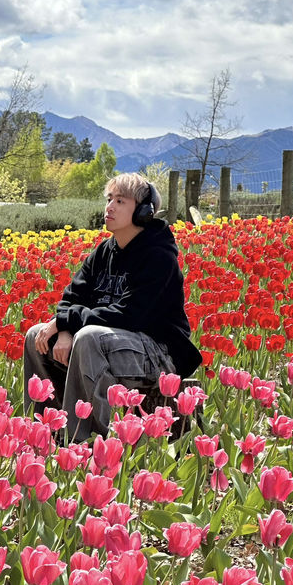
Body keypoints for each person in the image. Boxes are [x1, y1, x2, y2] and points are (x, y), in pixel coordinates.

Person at [23, 172, 202, 441]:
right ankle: (45, 432)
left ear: (143, 212)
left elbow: (130, 315)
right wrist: (63, 330)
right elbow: (72, 296)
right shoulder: (104, 252)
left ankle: (86, 440)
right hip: (113, 343)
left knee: (88, 338)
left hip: (157, 352)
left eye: (120, 201)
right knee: (36, 336)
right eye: (109, 199)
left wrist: (67, 323)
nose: (110, 207)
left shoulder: (158, 256)